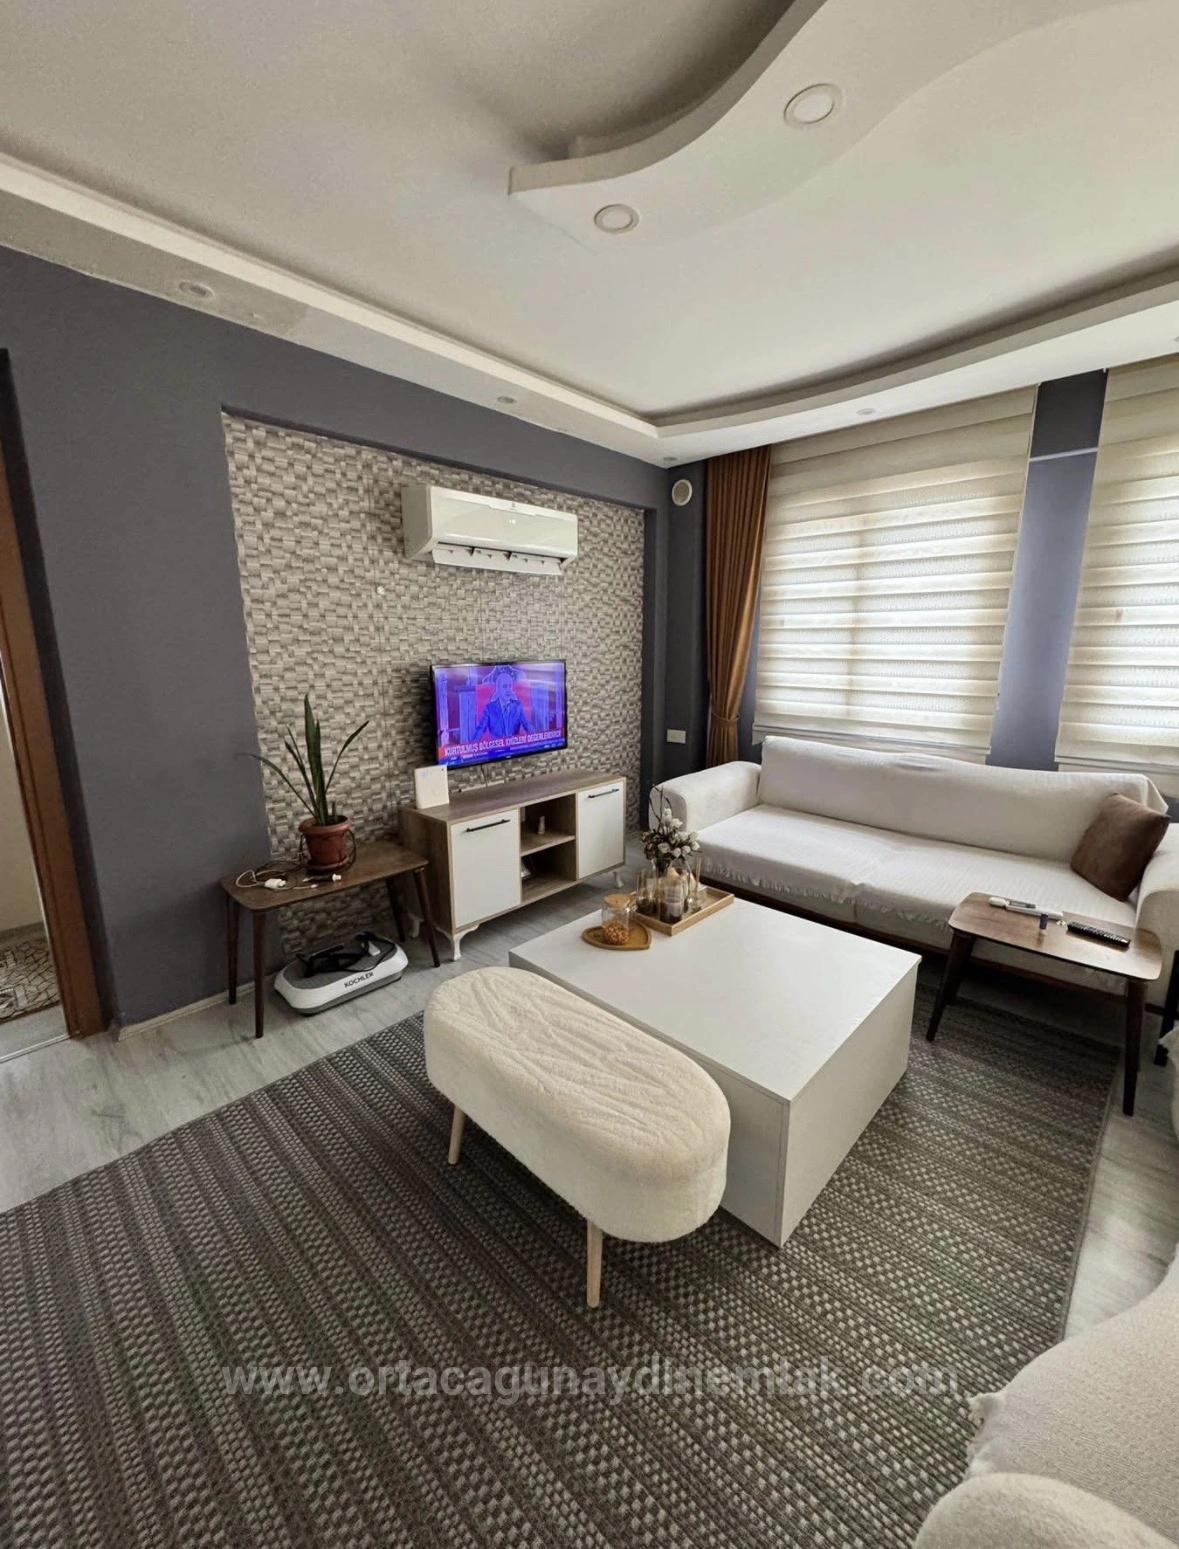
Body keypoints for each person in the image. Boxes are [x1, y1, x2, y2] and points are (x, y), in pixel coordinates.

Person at [474, 665, 532, 740]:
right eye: (504, 686)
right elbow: (480, 729)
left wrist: (537, 739)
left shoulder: (518, 706)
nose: (508, 690)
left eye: (510, 686)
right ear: (498, 689)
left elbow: (527, 725)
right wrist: (472, 744)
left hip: (515, 745)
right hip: (497, 746)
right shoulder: (490, 709)